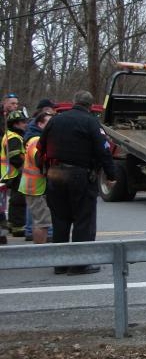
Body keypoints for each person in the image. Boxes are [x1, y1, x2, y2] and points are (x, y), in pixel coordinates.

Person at [39, 90, 117, 275]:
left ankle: (60, 264)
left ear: (74, 102)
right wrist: (111, 175)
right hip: (79, 175)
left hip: (55, 175)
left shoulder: (56, 120)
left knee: (60, 221)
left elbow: (41, 147)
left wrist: (43, 170)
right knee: (83, 220)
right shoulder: (91, 122)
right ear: (90, 106)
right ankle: (79, 264)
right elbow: (104, 151)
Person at [19, 111, 53, 244]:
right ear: (40, 124)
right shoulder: (36, 140)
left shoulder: (37, 137)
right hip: (35, 187)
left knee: (40, 221)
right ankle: (39, 253)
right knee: (42, 223)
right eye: (48, 123)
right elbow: (38, 160)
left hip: (35, 187)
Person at [1, 110, 30, 236]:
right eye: (23, 122)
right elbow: (14, 157)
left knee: (15, 200)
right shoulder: (14, 138)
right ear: (16, 124)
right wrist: (25, 166)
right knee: (19, 200)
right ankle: (18, 227)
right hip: (15, 173)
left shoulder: (11, 135)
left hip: (10, 173)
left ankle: (13, 224)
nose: (25, 124)